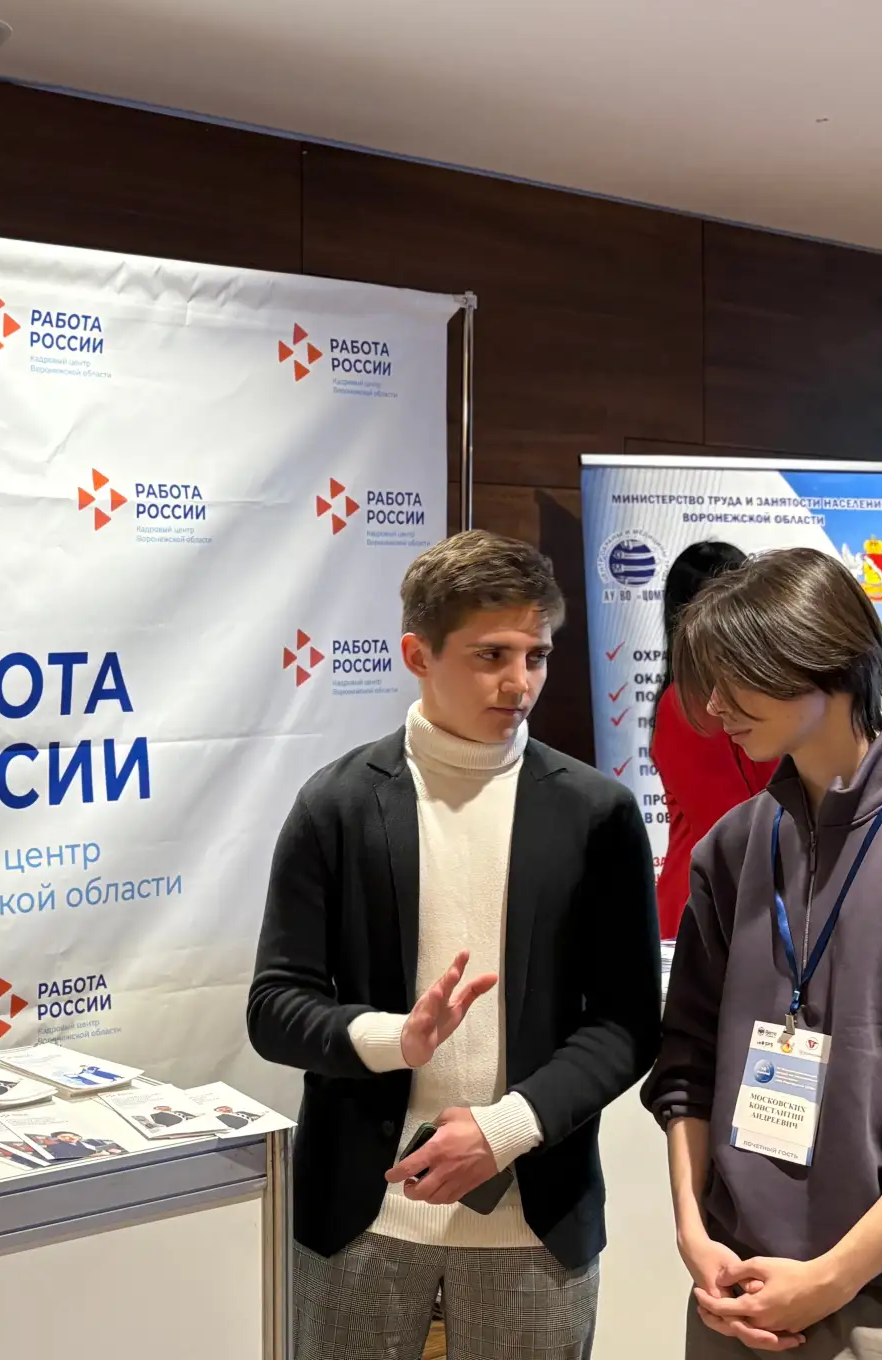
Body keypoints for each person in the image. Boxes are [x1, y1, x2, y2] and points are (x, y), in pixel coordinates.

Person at [247, 529, 661, 1360]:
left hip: (535, 1220)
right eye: (491, 655)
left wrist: (505, 1129)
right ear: (417, 654)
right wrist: (392, 1038)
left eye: (537, 656)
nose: (520, 683)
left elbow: (626, 1023)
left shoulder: (596, 813)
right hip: (361, 1215)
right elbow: (275, 1007)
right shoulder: (336, 805)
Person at [643, 548, 882, 1358]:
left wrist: (829, 1279)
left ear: (823, 660)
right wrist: (692, 1233)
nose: (714, 705)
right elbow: (687, 1062)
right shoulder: (733, 850)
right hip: (731, 1287)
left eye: (738, 675)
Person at [651, 541, 768, 939]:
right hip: (711, 910)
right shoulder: (685, 703)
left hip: (762, 903)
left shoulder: (771, 692)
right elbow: (730, 827)